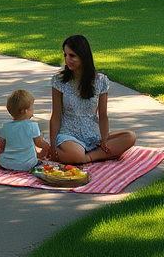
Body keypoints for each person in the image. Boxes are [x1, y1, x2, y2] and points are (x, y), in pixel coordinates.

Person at [48, 34, 136, 165]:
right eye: (65, 55)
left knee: (130, 137)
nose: (67, 60)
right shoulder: (59, 81)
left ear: (83, 56)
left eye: (72, 55)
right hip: (69, 135)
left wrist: (105, 139)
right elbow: (56, 115)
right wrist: (53, 144)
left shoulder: (100, 81)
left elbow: (103, 115)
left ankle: (90, 156)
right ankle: (92, 156)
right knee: (76, 155)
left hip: (93, 135)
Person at [0, 88, 50, 171]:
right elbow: (40, 143)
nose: (33, 110)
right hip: (28, 164)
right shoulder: (32, 126)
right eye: (31, 107)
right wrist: (46, 148)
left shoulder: (6, 127)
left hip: (8, 163)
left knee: (0, 157)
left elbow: (2, 148)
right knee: (37, 157)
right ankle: (38, 156)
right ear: (25, 111)